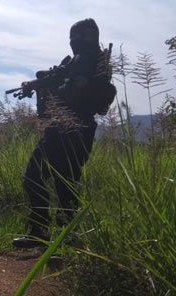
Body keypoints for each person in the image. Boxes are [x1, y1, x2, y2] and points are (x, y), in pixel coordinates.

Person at [12, 18, 115, 248]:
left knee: (34, 176)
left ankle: (40, 232)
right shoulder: (98, 62)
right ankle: (67, 239)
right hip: (84, 129)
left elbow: (67, 93)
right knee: (66, 183)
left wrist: (43, 87)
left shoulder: (83, 61)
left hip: (63, 128)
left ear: (75, 38)